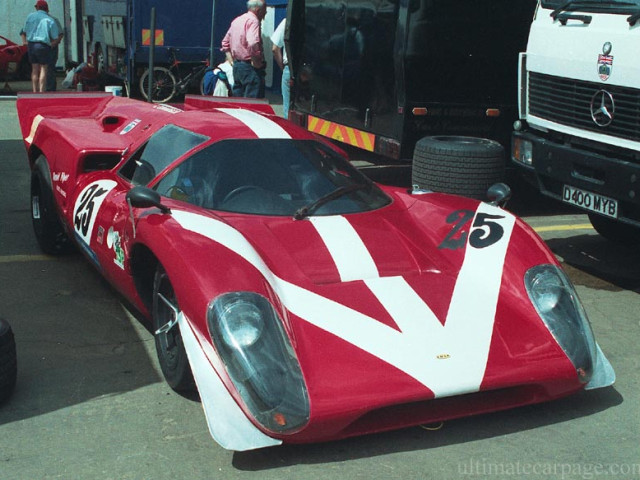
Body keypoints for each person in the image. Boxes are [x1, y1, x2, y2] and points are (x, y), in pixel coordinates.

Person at [221, 0, 267, 98]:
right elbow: (252, 43)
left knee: (239, 102)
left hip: (237, 67)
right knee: (252, 104)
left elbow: (225, 43)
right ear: (258, 10)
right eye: (265, 10)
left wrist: (232, 62)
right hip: (250, 67)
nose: (266, 13)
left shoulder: (237, 20)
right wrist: (256, 63)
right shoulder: (254, 21)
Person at [20, 0, 60, 92]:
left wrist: (25, 41)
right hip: (43, 45)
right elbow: (55, 36)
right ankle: (41, 91)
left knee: (34, 69)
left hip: (31, 45)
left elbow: (24, 31)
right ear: (46, 9)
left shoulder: (30, 17)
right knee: (43, 69)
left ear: (37, 7)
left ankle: (34, 90)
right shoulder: (50, 19)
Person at [271, 18, 290, 119]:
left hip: (291, 68)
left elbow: (275, 48)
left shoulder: (287, 21)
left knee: (289, 108)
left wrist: (283, 68)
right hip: (312, 69)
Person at [46, 12, 64, 91]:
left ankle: (48, 88)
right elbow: (60, 34)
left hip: (48, 47)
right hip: (49, 46)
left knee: (48, 68)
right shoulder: (53, 19)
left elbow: (60, 34)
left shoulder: (53, 19)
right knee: (48, 68)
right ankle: (48, 88)